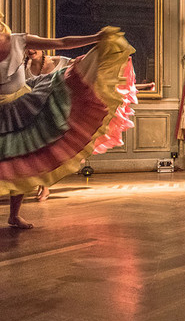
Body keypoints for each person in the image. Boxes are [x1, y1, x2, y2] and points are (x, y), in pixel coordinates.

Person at [0, 18, 134, 229]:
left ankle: (14, 215)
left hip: (22, 103)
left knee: (21, 155)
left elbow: (61, 42)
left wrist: (96, 38)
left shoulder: (19, 40)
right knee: (7, 159)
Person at [23, 49, 72, 201]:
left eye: (34, 46)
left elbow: (80, 68)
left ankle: (44, 185)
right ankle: (42, 185)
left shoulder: (61, 61)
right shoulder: (23, 66)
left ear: (42, 47)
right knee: (34, 151)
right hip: (32, 112)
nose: (31, 50)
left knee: (45, 151)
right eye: (27, 47)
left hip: (54, 112)